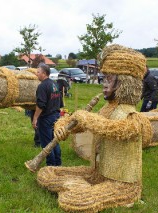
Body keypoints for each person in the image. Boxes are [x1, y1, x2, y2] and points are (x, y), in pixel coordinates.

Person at [37, 45, 150, 212]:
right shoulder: (106, 109)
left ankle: (79, 189)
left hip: (121, 184)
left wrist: (85, 116)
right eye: (104, 79)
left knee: (73, 200)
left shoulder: (132, 116)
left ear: (125, 83)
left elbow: (113, 129)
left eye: (110, 80)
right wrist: (61, 126)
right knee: (47, 173)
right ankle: (79, 186)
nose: (104, 85)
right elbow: (81, 125)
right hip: (96, 174)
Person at [32, 63, 62, 166]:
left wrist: (35, 118)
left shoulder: (42, 86)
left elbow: (41, 105)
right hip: (56, 117)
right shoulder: (55, 84)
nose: (37, 74)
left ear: (44, 73)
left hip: (46, 118)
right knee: (54, 141)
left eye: (38, 72)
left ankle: (51, 166)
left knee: (47, 144)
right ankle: (58, 164)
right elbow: (60, 102)